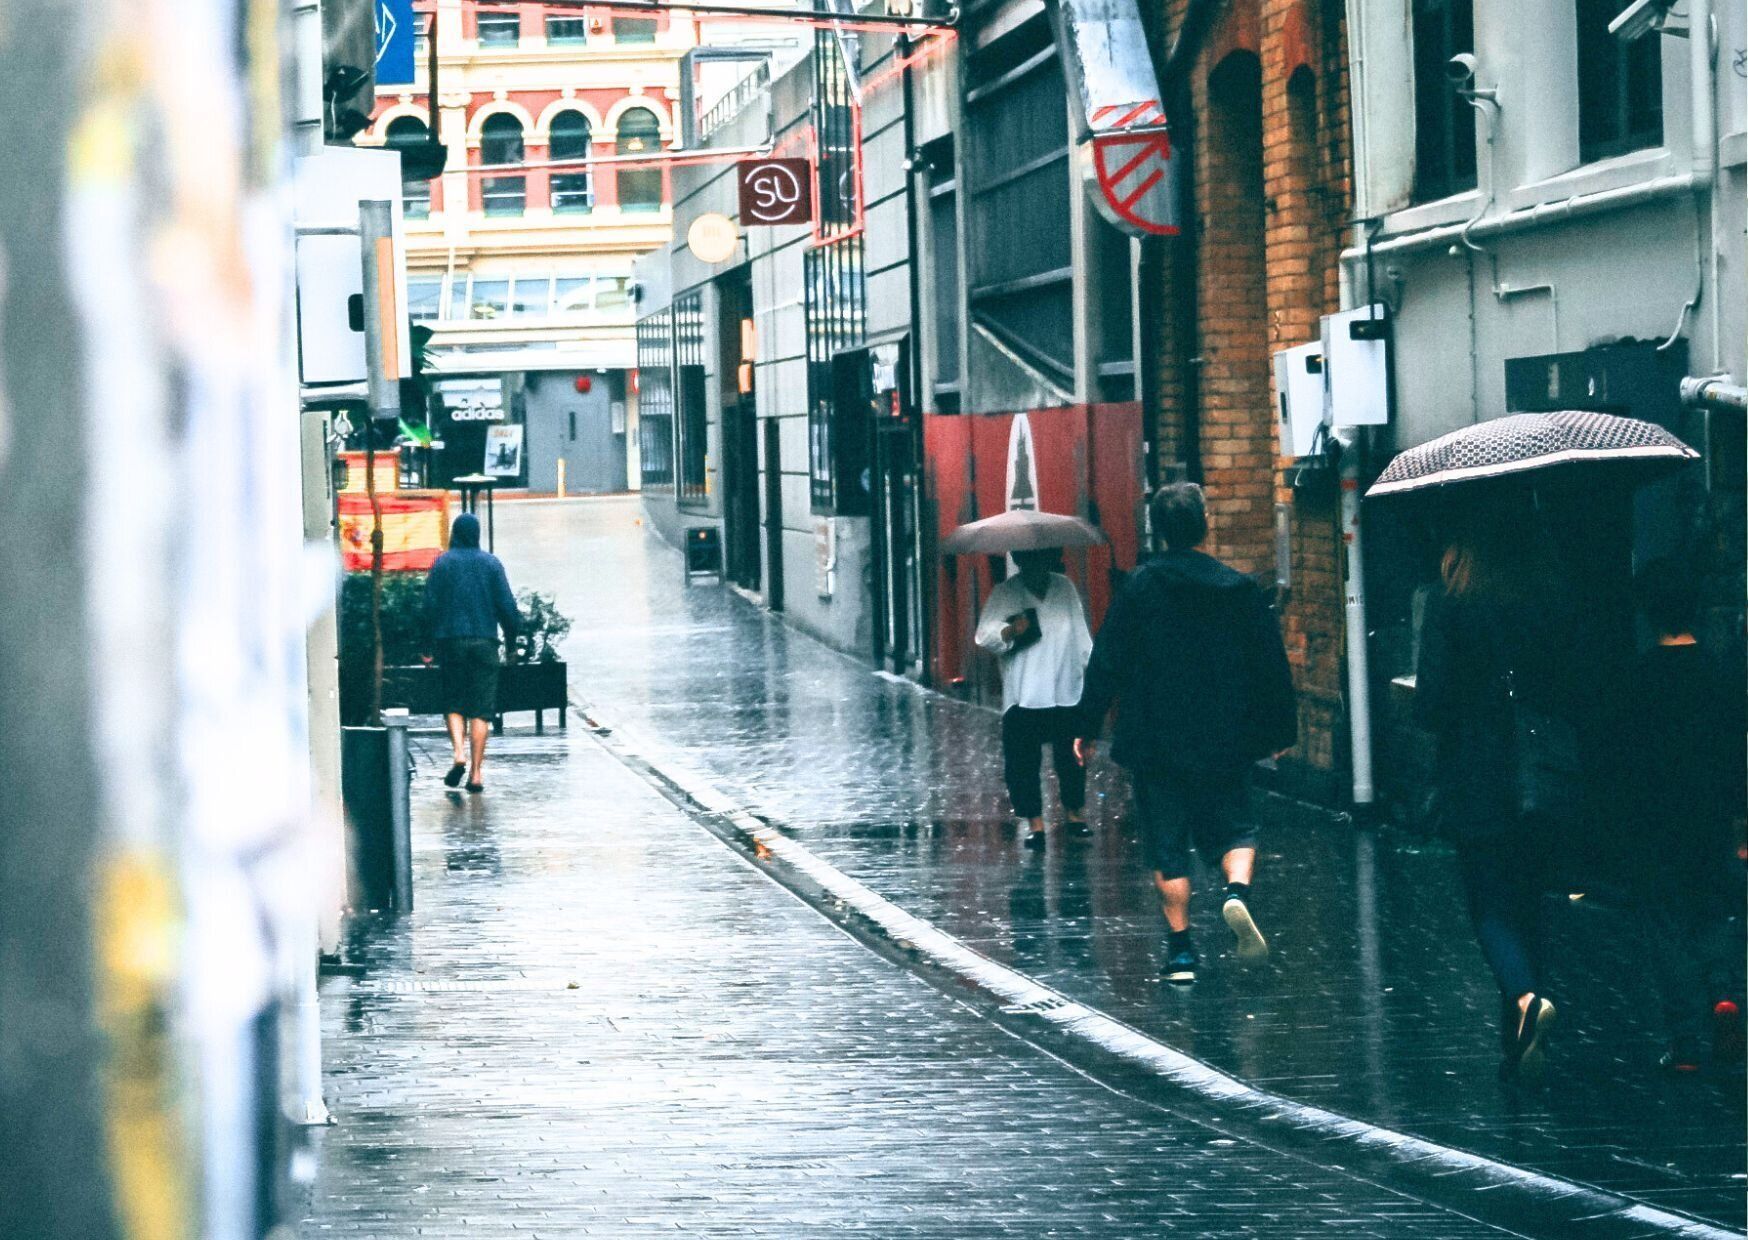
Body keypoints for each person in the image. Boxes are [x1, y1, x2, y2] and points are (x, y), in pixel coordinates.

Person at [1075, 483, 1296, 984]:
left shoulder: (1139, 589)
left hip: (1157, 741)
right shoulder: (1239, 590)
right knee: (1237, 828)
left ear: (1159, 529)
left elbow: (1106, 660)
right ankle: (1236, 893)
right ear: (1204, 525)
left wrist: (1085, 726)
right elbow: (1270, 665)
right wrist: (1282, 727)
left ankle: (1180, 954)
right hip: (1226, 737)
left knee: (1168, 844)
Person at [1414, 513, 1578, 1085]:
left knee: (1488, 905)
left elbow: (1431, 703)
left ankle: (1524, 998)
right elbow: (1568, 682)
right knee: (1530, 902)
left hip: (1474, 773)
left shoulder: (1449, 602)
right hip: (1539, 773)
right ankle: (1518, 1043)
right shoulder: (1547, 598)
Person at [1625, 557, 1746, 1073]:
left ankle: (1684, 1043)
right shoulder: (1720, 671)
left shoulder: (1640, 677)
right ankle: (1724, 995)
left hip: (1657, 821)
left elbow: (1625, 758)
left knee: (1666, 924)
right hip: (1713, 815)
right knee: (1716, 910)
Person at [975, 547, 1095, 851]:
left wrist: (1092, 677)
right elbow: (984, 634)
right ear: (1019, 561)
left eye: (1041, 559)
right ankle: (1035, 825)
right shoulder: (1006, 593)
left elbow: (1081, 637)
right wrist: (1008, 630)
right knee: (1022, 763)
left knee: (1070, 757)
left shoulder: (1064, 588)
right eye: (1028, 560)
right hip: (1024, 692)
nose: (1035, 566)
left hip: (1066, 688)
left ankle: (1075, 816)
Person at [424, 512, 521, 794]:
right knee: (482, 710)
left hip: (450, 642)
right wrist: (512, 640)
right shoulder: (491, 564)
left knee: (454, 702)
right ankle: (477, 774)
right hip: (484, 642)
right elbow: (506, 605)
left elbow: (429, 606)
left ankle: (458, 754)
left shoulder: (442, 564)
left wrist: (426, 646)